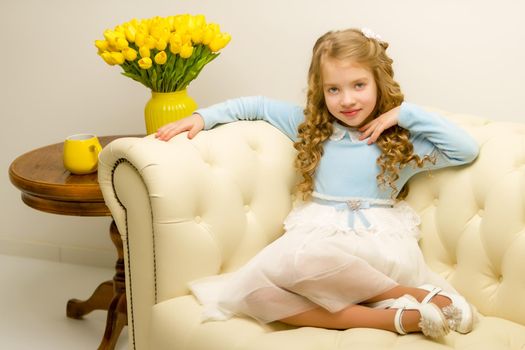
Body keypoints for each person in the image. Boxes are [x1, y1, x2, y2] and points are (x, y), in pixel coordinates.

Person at [155, 28, 479, 338]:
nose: (346, 100)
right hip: (317, 243)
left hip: (377, 247)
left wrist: (405, 115)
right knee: (254, 294)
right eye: (333, 89)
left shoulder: (399, 142)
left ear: (379, 82)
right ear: (320, 90)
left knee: (304, 260)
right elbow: (254, 106)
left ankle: (409, 293)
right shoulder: (312, 127)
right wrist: (201, 117)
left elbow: (464, 149)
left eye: (359, 85)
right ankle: (396, 318)